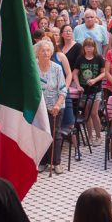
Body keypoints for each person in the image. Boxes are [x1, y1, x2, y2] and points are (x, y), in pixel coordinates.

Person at [37, 39, 68, 175]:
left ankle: (56, 163)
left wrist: (56, 105)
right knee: (41, 134)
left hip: (56, 106)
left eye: (48, 50)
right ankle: (43, 162)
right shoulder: (33, 67)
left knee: (56, 134)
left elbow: (62, 89)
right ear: (37, 53)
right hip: (39, 107)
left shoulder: (57, 68)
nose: (45, 53)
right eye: (42, 50)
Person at [73, 37, 106, 146]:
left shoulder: (98, 58)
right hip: (84, 91)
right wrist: (78, 85)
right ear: (84, 47)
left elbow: (103, 73)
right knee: (87, 114)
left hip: (96, 90)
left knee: (94, 113)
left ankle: (98, 136)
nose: (89, 48)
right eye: (87, 46)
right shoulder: (80, 58)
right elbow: (75, 73)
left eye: (91, 46)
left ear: (94, 47)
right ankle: (90, 136)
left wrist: (94, 80)